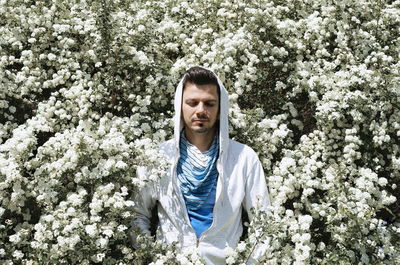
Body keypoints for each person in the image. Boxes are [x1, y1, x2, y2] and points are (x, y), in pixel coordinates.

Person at [132, 66, 270, 264]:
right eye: (192, 102)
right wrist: (151, 257)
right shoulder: (158, 156)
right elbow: (138, 215)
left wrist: (248, 261)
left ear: (220, 108)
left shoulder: (243, 158)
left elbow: (263, 223)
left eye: (209, 103)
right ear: (180, 106)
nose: (201, 110)